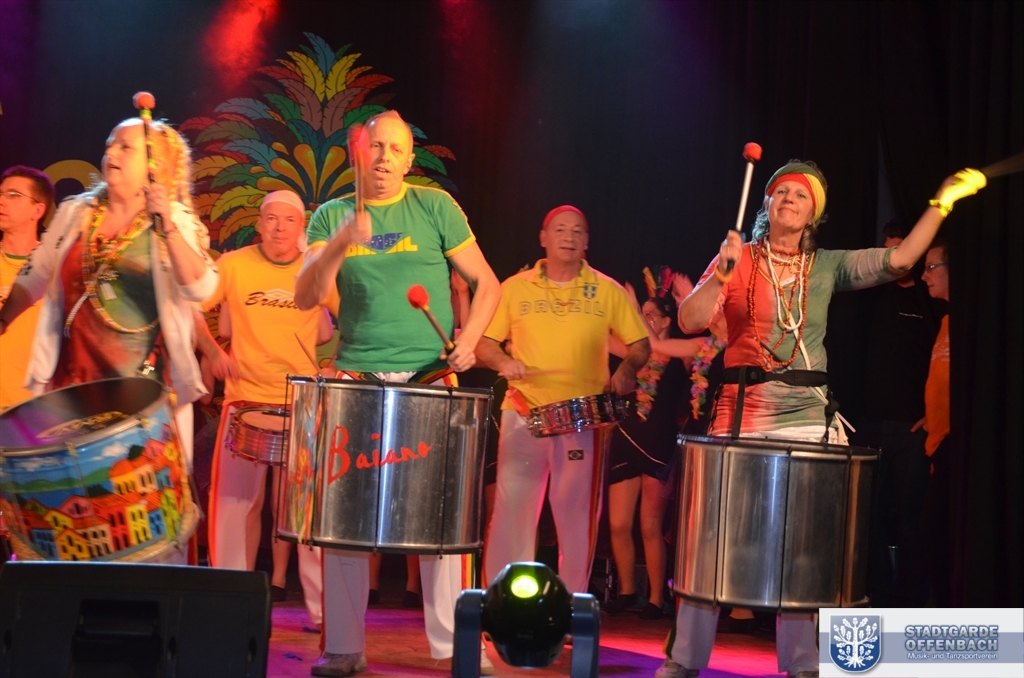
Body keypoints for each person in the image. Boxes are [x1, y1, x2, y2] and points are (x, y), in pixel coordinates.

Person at [658, 161, 984, 678]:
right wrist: (720, 273)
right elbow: (690, 320)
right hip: (739, 418)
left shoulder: (827, 265)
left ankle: (804, 661)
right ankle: (684, 659)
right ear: (767, 204)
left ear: (813, 214)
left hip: (807, 419)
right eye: (781, 191)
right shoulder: (737, 257)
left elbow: (902, 258)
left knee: (803, 546)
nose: (789, 198)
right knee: (712, 542)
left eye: (801, 195)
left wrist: (941, 203)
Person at [293, 110, 501, 677]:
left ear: (410, 160)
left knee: (440, 518)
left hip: (429, 380)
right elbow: (306, 295)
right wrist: (341, 240)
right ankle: (343, 646)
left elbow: (487, 284)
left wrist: (469, 341)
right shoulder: (331, 214)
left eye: (395, 149)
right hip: (357, 379)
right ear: (358, 154)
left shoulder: (435, 206)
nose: (384, 157)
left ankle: (454, 646)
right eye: (376, 147)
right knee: (344, 520)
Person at [0, 117, 217, 469]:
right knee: (78, 494)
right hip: (71, 396)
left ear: (154, 164)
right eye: (109, 145)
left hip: (145, 398)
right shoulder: (75, 212)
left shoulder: (176, 219)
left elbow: (201, 286)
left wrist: (167, 227)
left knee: (137, 492)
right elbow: (36, 272)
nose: (111, 153)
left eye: (125, 147)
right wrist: (4, 318)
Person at [476, 205, 651, 598]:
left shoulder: (607, 290)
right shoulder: (514, 287)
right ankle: (502, 604)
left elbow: (640, 344)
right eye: (559, 230)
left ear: (586, 241)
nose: (568, 237)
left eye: (576, 231)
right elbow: (485, 344)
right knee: (511, 512)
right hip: (524, 412)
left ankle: (571, 607)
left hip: (582, 418)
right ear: (543, 237)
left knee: (576, 516)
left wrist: (627, 369)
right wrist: (504, 362)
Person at [197, 189, 333, 631]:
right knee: (234, 508)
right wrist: (213, 352)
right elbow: (191, 307)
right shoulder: (233, 265)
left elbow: (355, 314)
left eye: (289, 219)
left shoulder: (316, 268)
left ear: (302, 226)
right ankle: (229, 607)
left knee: (307, 514)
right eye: (271, 218)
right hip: (244, 400)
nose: (279, 227)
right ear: (259, 224)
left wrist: (336, 364)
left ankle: (323, 615)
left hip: (303, 403)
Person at [855, 219, 944, 607]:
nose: (895, 259)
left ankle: (911, 602)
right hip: (869, 426)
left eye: (901, 249)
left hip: (911, 429)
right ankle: (875, 596)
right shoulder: (873, 296)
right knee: (867, 519)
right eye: (888, 250)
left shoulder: (930, 301)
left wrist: (931, 415)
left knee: (909, 520)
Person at [605, 270, 702, 619]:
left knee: (650, 525)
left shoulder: (681, 354)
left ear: (665, 321)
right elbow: (603, 337)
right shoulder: (635, 351)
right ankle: (627, 590)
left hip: (658, 443)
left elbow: (664, 348)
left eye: (650, 315)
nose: (644, 319)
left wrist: (634, 309)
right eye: (642, 314)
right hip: (627, 436)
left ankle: (656, 598)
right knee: (618, 523)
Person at [0, 165, 54, 410]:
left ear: (38, 210)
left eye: (13, 195)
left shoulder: (54, 269)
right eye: (1, 193)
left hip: (34, 411)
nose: (2, 200)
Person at [917, 239, 952, 605]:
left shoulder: (970, 324)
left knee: (936, 534)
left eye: (931, 267)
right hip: (937, 446)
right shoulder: (944, 322)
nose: (924, 276)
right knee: (932, 536)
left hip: (955, 448)